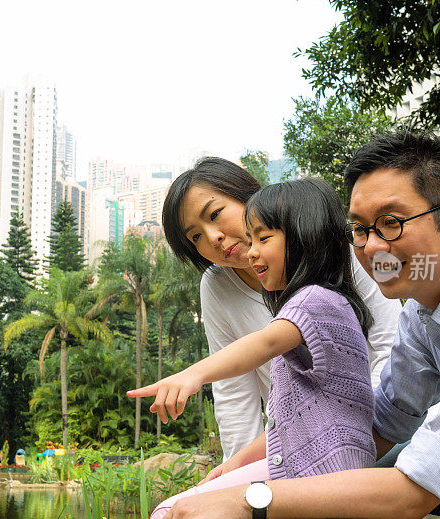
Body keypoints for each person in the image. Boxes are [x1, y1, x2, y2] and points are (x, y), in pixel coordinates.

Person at [150, 130, 440, 519]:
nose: (371, 246)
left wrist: (250, 500)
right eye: (359, 229)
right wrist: (249, 463)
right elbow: (381, 420)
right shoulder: (426, 310)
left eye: (391, 222)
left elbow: (417, 488)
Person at [131, 179, 377, 519]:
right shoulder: (302, 301)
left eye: (263, 239)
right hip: (301, 459)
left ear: (303, 237)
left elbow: (262, 344)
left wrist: (192, 375)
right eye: (195, 237)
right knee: (177, 509)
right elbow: (292, 421)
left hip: (325, 470)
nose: (252, 252)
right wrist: (236, 463)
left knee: (169, 513)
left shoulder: (316, 301)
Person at [161, 157, 402, 460]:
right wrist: (236, 473)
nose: (213, 237)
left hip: (376, 432)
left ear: (247, 195)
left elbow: (391, 344)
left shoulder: (332, 252)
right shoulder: (216, 286)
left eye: (215, 214)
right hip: (300, 447)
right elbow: (234, 394)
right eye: (195, 236)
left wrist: (363, 431)